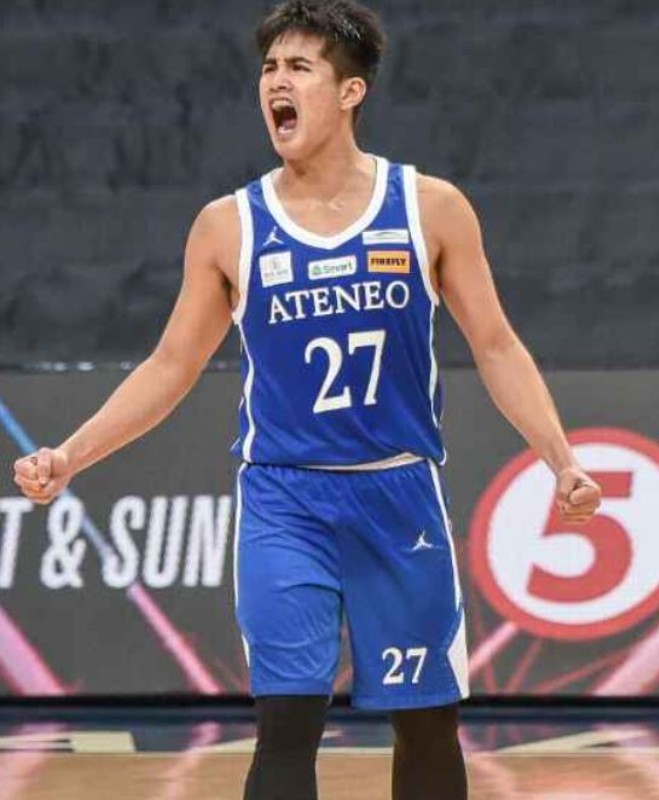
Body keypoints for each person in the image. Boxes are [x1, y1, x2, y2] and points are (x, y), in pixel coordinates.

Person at [13, 1, 602, 798]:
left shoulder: (428, 207)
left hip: (398, 494)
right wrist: (70, 455)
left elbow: (496, 345)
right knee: (287, 720)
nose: (275, 84)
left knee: (427, 721)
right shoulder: (228, 225)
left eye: (298, 67)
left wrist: (561, 461)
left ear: (350, 91)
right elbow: (170, 364)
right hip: (284, 500)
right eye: (268, 69)